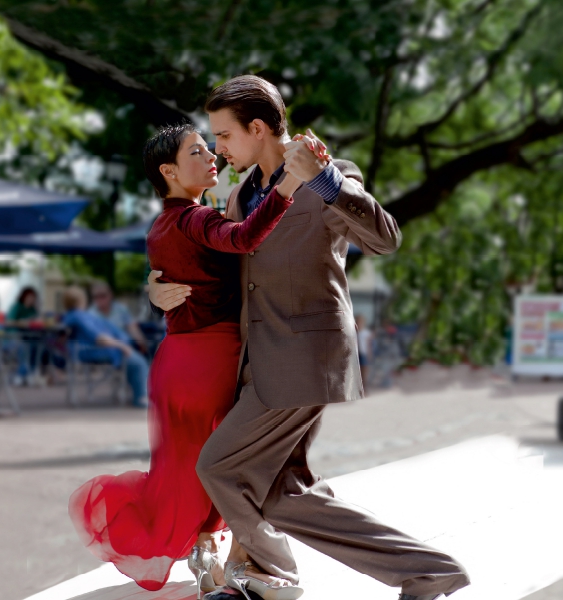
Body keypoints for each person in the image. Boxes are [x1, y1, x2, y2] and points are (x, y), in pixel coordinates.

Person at [150, 75, 469, 600]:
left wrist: (322, 180)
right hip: (258, 362)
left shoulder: (331, 174)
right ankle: (431, 572)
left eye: (225, 136)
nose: (219, 149)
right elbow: (217, 273)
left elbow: (385, 237)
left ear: (258, 128)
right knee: (283, 497)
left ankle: (274, 576)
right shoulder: (240, 197)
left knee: (219, 465)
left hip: (305, 356)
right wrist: (155, 290)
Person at [68, 123, 306, 598]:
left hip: (176, 361)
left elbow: (182, 273)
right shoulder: (194, 220)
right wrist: (288, 189)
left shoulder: (161, 227)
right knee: (234, 459)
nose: (211, 155)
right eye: (197, 151)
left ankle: (203, 552)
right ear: (170, 171)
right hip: (210, 358)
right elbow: (241, 240)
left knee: (187, 465)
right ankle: (240, 563)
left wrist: (153, 292)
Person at [61, 285, 150, 408]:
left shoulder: (75, 316)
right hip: (96, 351)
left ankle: (141, 394)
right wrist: (122, 346)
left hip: (96, 349)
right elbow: (98, 337)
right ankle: (141, 397)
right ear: (82, 300)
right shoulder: (82, 316)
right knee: (136, 362)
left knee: (136, 359)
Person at [89, 281, 148, 354]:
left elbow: (132, 327)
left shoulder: (121, 309)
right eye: (96, 297)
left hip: (125, 347)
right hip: (102, 350)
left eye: (103, 296)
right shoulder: (90, 314)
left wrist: (141, 342)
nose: (100, 300)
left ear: (110, 295)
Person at [356, 314, 373, 393]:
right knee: (357, 372)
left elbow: (369, 345)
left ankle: (365, 389)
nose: (359, 323)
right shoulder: (354, 332)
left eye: (361, 321)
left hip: (364, 354)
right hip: (356, 354)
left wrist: (370, 354)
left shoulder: (366, 333)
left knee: (364, 372)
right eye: (358, 321)